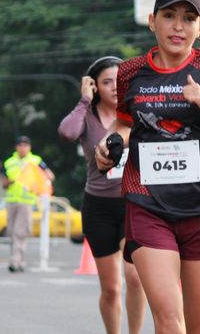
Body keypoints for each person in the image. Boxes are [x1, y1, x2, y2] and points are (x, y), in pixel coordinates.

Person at [95, 0, 200, 334]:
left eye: (188, 18)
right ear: (152, 21)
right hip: (148, 206)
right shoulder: (131, 72)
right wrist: (109, 142)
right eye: (169, 16)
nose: (178, 26)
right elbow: (125, 122)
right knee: (169, 321)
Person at [58, 56, 146, 334]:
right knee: (111, 288)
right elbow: (66, 132)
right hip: (99, 208)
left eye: (118, 80)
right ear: (95, 86)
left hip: (134, 204)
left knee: (135, 277)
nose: (115, 87)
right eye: (107, 82)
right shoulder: (87, 116)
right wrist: (84, 99)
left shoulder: (136, 111)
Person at [2, 135, 54, 272]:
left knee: (20, 231)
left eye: (25, 145)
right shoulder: (9, 162)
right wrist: (11, 181)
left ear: (29, 147)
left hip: (26, 201)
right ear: (16, 147)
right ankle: (19, 260)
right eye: (20, 145)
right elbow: (4, 182)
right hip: (11, 200)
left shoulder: (36, 161)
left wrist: (37, 184)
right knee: (11, 232)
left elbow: (49, 175)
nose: (23, 148)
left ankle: (15, 261)